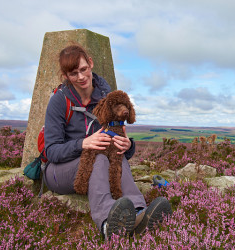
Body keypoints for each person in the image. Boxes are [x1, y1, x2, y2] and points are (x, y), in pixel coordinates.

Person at [43, 44, 172, 239]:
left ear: (91, 64)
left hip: (95, 163)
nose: (80, 77)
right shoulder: (59, 101)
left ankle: (139, 212)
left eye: (83, 69)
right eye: (73, 73)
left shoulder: (106, 96)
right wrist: (83, 143)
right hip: (57, 172)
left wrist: (128, 146)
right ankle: (106, 223)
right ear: (66, 76)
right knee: (100, 159)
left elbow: (113, 140)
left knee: (116, 156)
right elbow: (50, 151)